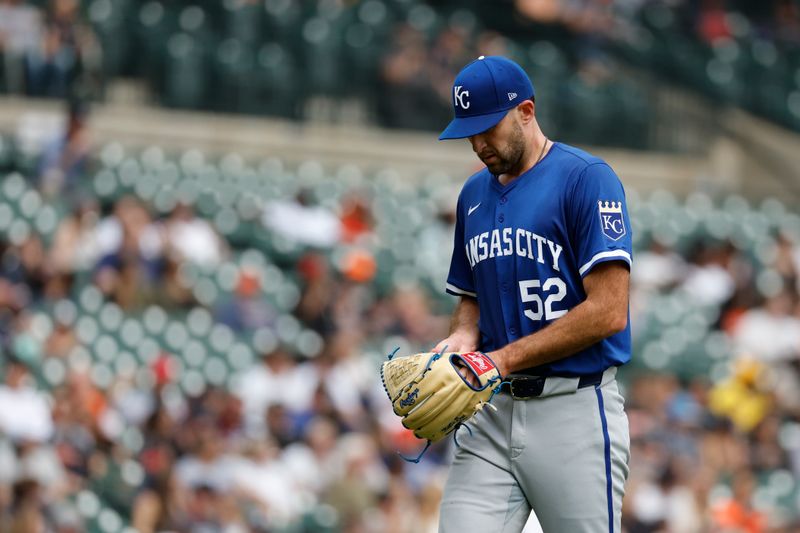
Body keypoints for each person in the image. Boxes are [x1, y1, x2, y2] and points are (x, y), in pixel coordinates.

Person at [433, 55, 632, 532]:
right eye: (469, 132)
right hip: (492, 411)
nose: (479, 144)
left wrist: (501, 360)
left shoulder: (586, 178)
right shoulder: (472, 195)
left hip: (573, 412)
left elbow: (608, 312)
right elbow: (470, 296)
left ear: (525, 110)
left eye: (488, 128)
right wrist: (463, 334)